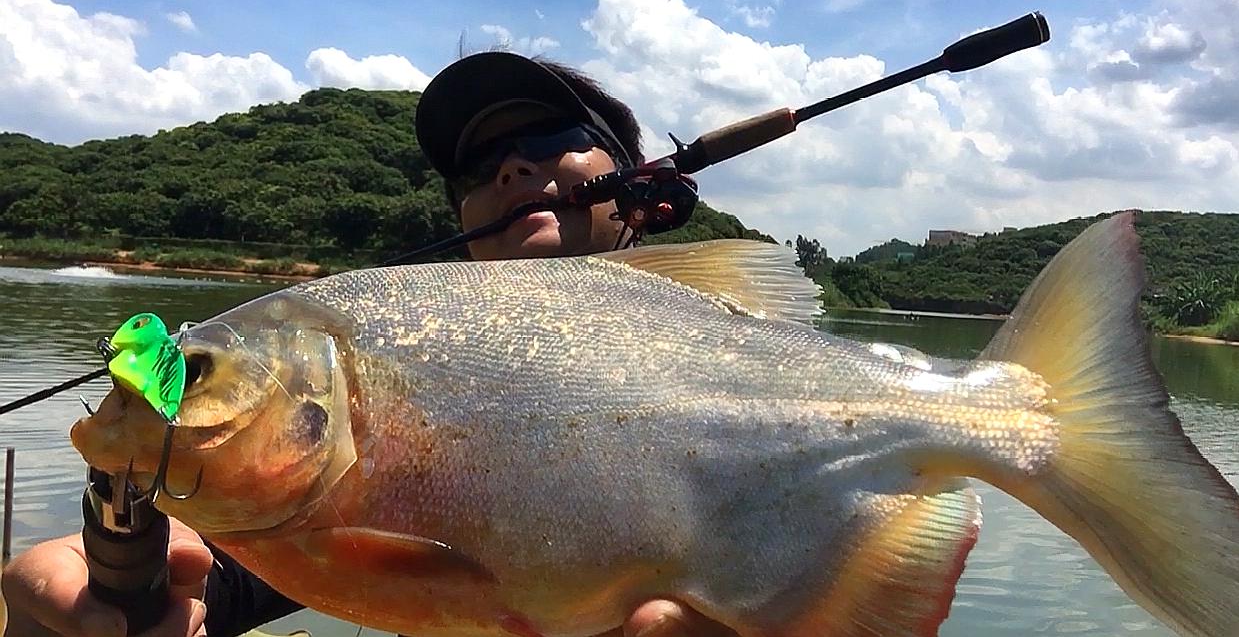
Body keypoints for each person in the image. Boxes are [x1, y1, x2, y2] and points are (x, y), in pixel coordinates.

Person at [1, 52, 736, 637]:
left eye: (550, 142)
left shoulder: (741, 344)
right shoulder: (413, 367)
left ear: (642, 184)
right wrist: (131, 580)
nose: (511, 169)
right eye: (477, 170)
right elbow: (260, 564)